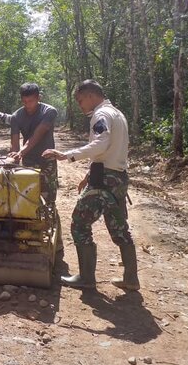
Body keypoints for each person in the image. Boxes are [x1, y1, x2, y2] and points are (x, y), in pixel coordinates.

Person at [43, 80, 140, 291]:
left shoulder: (101, 115)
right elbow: (111, 148)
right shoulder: (117, 113)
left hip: (104, 181)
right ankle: (131, 278)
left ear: (89, 95)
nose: (80, 106)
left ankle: (86, 278)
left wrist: (66, 155)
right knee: (119, 227)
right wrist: (89, 172)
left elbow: (101, 144)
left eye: (80, 101)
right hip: (116, 178)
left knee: (79, 223)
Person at [8, 82, 63, 251]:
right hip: (29, 161)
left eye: (31, 101)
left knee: (49, 200)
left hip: (47, 160)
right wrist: (14, 157)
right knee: (28, 198)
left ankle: (57, 242)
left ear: (38, 98)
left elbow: (38, 134)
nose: (28, 105)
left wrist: (21, 152)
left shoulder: (49, 112)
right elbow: (15, 141)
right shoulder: (16, 116)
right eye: (24, 102)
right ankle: (29, 237)